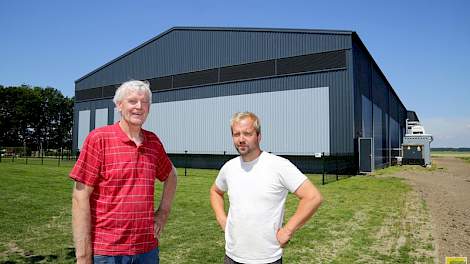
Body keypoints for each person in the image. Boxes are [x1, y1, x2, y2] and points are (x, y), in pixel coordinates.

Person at [70, 80, 177, 264]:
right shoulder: (99, 139)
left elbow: (171, 176)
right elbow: (80, 197)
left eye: (144, 102)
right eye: (132, 101)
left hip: (146, 251)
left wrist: (163, 212)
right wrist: (83, 256)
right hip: (107, 252)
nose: (139, 107)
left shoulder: (153, 142)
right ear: (119, 105)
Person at [210, 112, 323, 264]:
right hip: (232, 256)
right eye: (236, 134)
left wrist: (287, 231)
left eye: (247, 133)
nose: (241, 139)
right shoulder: (229, 167)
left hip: (267, 258)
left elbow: (313, 197)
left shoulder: (278, 165)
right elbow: (215, 191)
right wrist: (222, 219)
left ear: (258, 136)